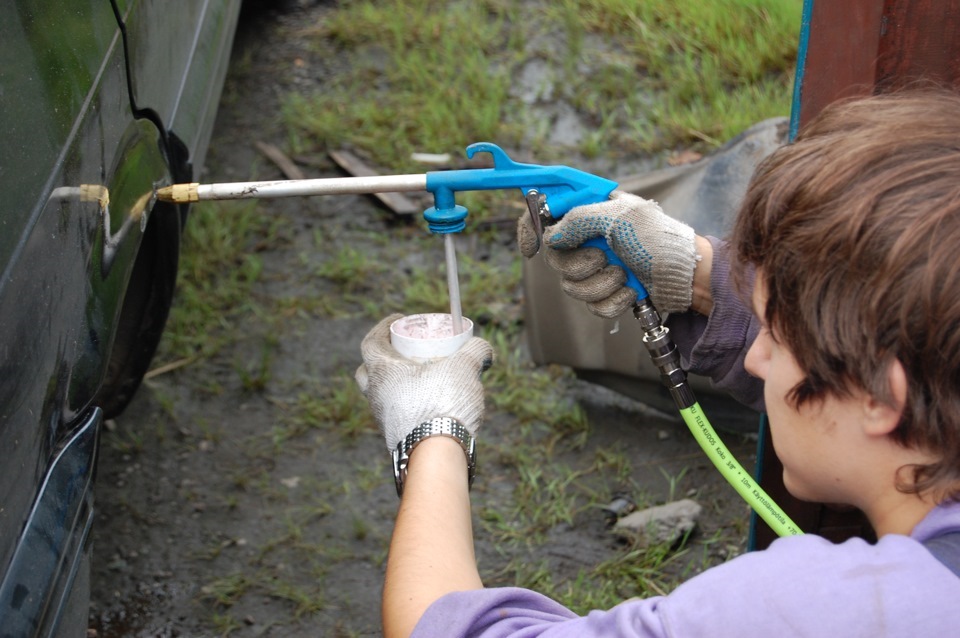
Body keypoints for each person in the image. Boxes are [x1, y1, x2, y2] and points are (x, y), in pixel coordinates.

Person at [354, 90, 960, 637]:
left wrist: (431, 428)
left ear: (882, 395)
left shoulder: (824, 611)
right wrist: (702, 279)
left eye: (775, 335)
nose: (754, 357)